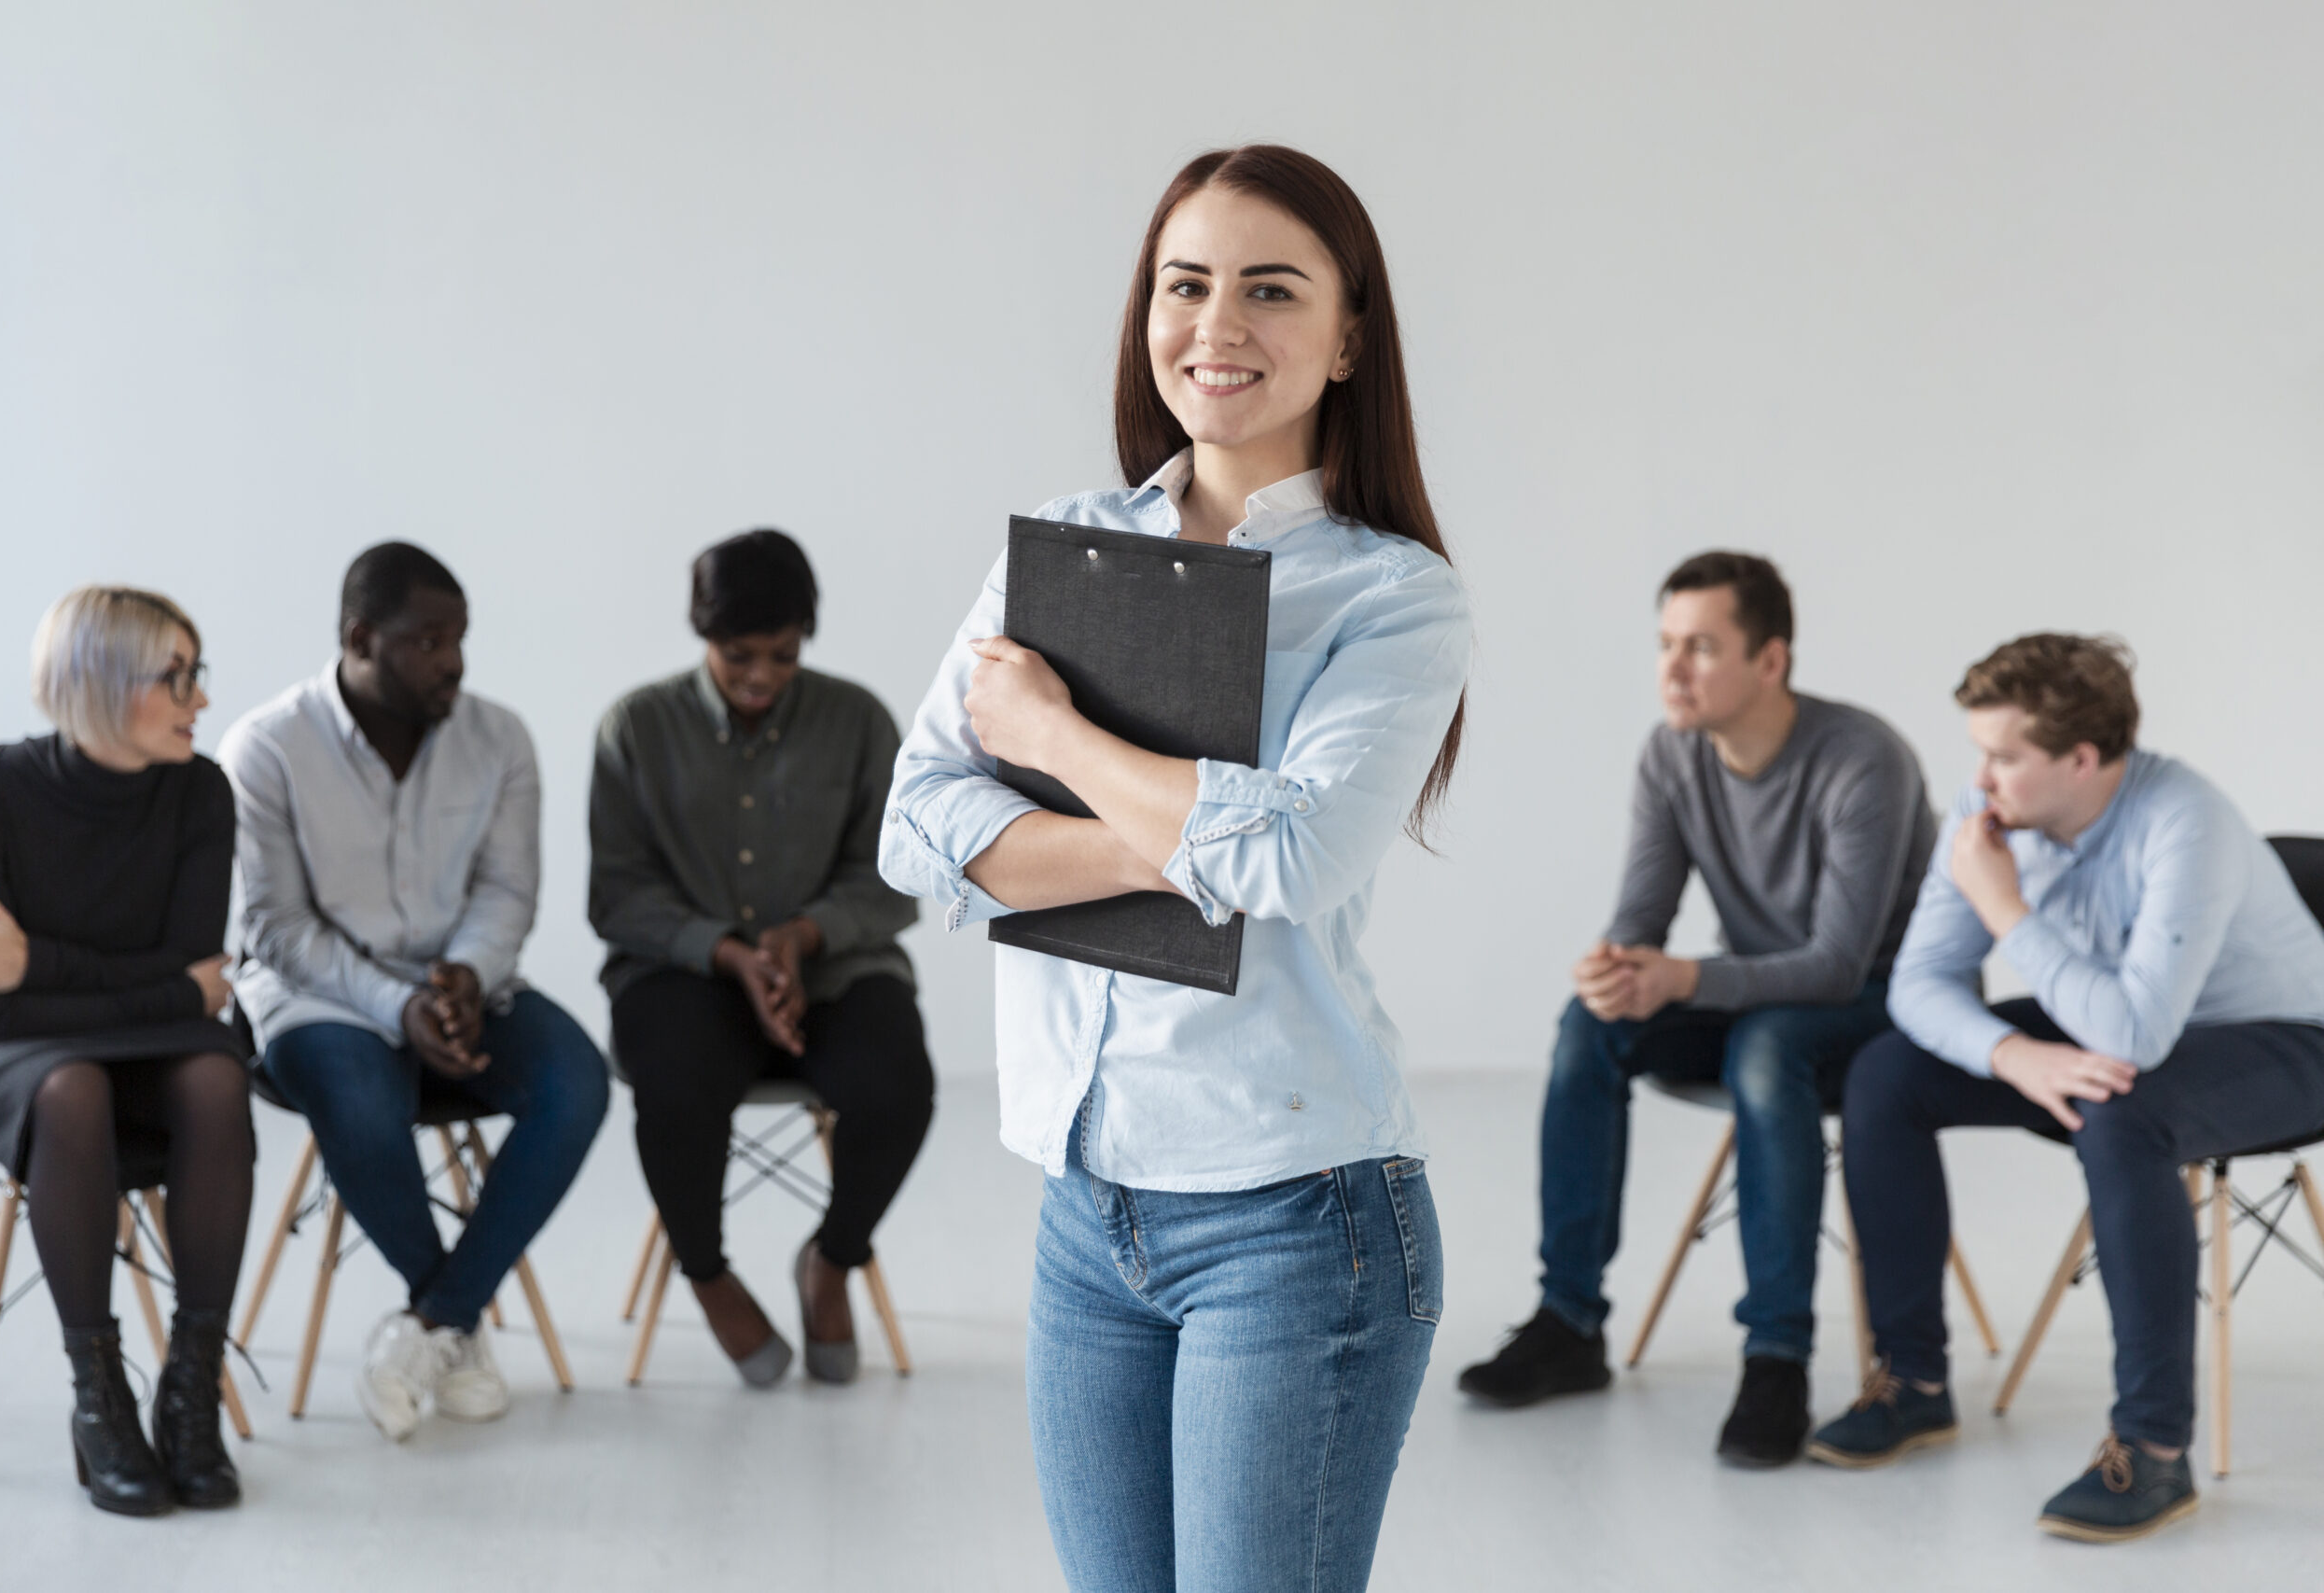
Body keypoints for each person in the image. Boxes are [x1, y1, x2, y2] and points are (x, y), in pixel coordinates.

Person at [881, 145, 1468, 1593]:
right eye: (1184, 284)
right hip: (1085, 1212)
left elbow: (1300, 856)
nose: (1217, 324)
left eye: (1271, 290)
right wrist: (1190, 844)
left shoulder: (1392, 593)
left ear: (1349, 337)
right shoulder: (1064, 549)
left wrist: (1051, 736)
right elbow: (917, 827)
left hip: (1297, 1217)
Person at [1811, 634, 2324, 1542]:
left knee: (2121, 1112)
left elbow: (2135, 1035)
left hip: (2285, 1044)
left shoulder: (2185, 821)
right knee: (1886, 1072)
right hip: (2110, 1023)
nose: (1980, 778)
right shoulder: (1990, 812)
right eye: (1979, 752)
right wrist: (2013, 1054)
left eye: (2004, 756)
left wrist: (2003, 908)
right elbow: (1918, 986)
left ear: (2081, 760)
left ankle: (2152, 1450)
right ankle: (1913, 1381)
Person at [1457, 552, 1935, 1467]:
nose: (1673, 669)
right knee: (1588, 1024)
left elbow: (1836, 965)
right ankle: (1569, 1319)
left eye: (1702, 647)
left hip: (1880, 1004)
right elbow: (1641, 922)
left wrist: (1680, 980)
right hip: (1761, 991)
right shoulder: (1671, 753)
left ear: (1770, 660)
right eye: (1666, 644)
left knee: (1764, 1049)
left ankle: (1776, 1357)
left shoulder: (1861, 759)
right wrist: (1614, 969)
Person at [219, 542, 608, 1444]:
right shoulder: (266, 747)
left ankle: (433, 1320)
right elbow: (275, 925)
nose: (455, 661)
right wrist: (398, 1008)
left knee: (577, 1082)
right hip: (319, 994)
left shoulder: (499, 738)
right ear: (361, 638)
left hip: (463, 982)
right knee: (361, 1097)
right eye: (429, 641)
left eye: (460, 638)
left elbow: (506, 892)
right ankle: (455, 1327)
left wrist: (465, 976)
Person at [590, 528, 933, 1387]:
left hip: (835, 970)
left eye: (783, 655)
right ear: (701, 632)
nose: (760, 676)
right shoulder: (637, 726)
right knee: (674, 1084)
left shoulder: (858, 720)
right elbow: (618, 896)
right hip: (684, 976)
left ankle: (832, 1258)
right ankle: (706, 1273)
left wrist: (803, 935)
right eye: (738, 654)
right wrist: (731, 953)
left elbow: (897, 877)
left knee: (898, 1086)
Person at [0, 587, 252, 1516]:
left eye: (198, 673)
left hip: (118, 1035)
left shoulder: (201, 792)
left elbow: (201, 977)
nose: (201, 699)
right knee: (70, 1087)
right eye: (176, 678)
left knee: (215, 1074)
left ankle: (191, 1390)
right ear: (103, 684)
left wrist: (38, 964)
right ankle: (99, 1396)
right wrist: (164, 990)